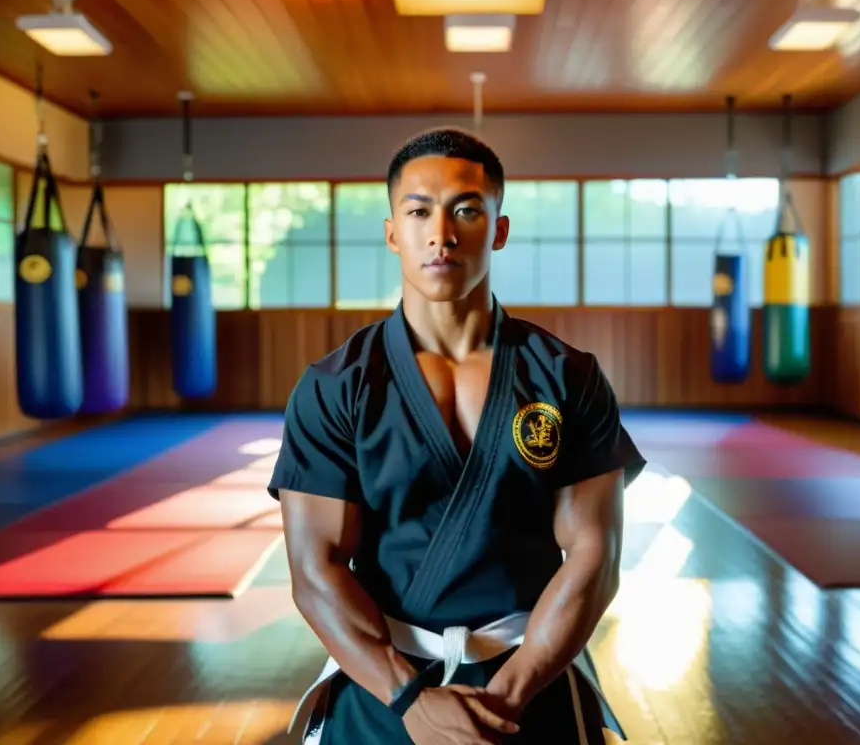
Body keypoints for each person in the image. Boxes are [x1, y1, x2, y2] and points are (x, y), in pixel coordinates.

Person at [268, 127, 646, 745]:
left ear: (498, 229)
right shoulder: (336, 387)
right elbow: (316, 570)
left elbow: (594, 558)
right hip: (383, 682)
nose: (440, 234)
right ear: (393, 232)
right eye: (418, 211)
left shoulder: (567, 376)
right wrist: (412, 702)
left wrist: (508, 698)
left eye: (466, 210)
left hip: (532, 674)